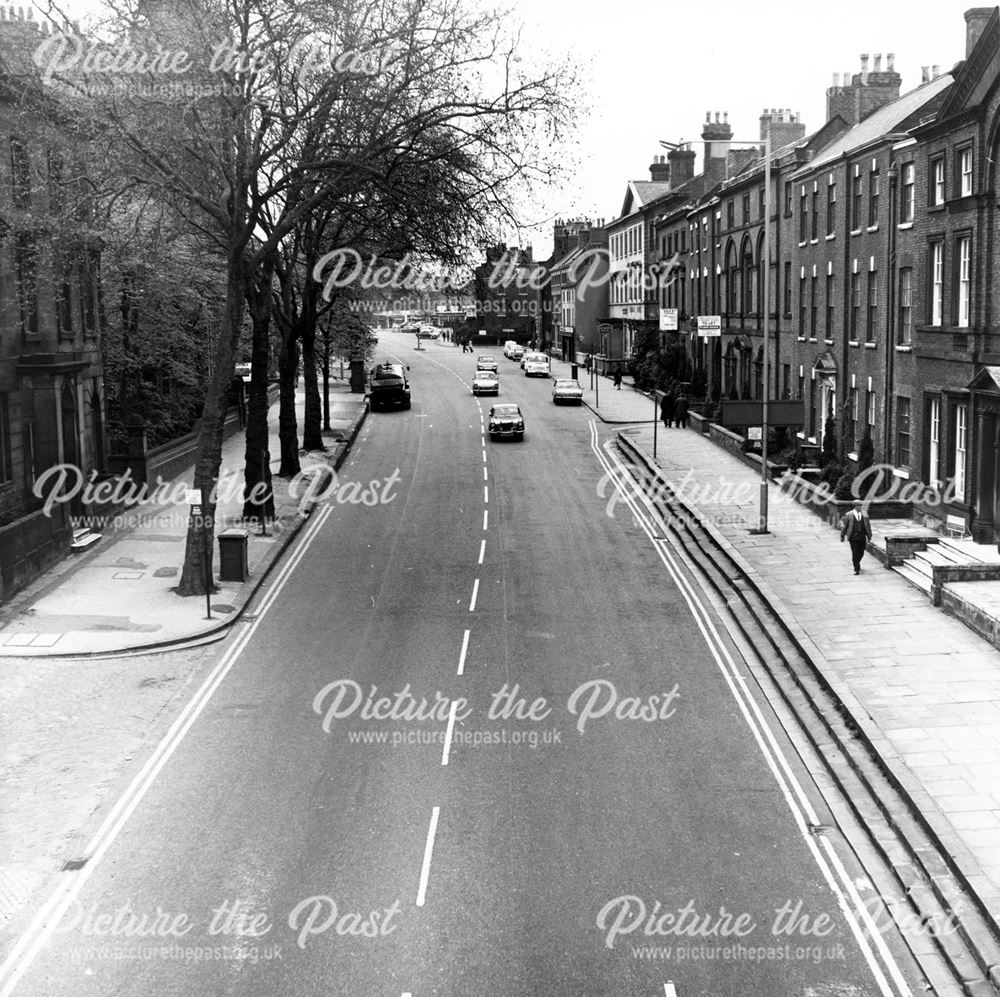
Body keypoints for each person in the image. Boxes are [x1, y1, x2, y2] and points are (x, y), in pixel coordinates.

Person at [840, 500, 872, 574]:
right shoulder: (849, 514)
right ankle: (856, 569)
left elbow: (868, 526)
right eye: (859, 505)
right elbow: (844, 526)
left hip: (862, 537)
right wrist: (842, 536)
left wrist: (869, 535)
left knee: (861, 552)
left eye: (861, 505)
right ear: (855, 506)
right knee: (855, 553)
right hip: (853, 537)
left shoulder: (864, 514)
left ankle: (857, 562)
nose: (860, 507)